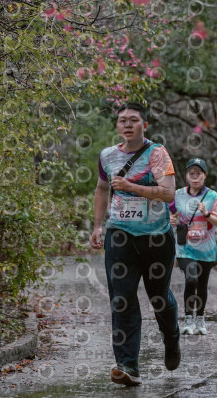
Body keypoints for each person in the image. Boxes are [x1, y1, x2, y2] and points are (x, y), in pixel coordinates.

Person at [90, 102, 180, 387]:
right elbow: (102, 188)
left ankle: (171, 335)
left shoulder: (157, 154)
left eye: (134, 120)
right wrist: (98, 225)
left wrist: (132, 187)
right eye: (122, 120)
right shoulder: (107, 155)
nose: (127, 124)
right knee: (122, 298)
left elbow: (168, 194)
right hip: (120, 235)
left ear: (145, 125)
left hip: (156, 237)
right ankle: (128, 365)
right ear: (117, 126)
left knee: (158, 297)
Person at [169, 158, 217, 335]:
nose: (195, 177)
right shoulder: (178, 194)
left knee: (202, 284)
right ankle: (188, 319)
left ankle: (200, 319)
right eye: (191, 173)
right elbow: (168, 211)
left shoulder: (212, 196)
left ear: (204, 175)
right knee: (191, 279)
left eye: (198, 173)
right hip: (185, 247)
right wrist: (170, 219)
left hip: (206, 249)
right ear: (186, 175)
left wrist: (206, 213)